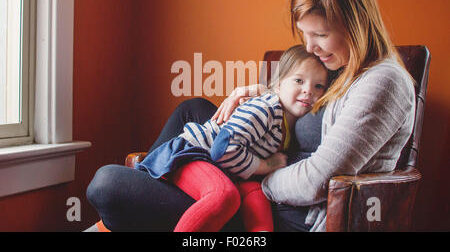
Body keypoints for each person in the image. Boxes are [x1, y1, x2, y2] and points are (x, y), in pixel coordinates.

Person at [85, 0, 416, 232]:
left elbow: (316, 180)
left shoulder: (383, 83)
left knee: (108, 184)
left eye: (320, 35)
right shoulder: (343, 65)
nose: (311, 47)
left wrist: (257, 173)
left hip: (274, 212)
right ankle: (153, 185)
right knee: (193, 109)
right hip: (252, 172)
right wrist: (256, 92)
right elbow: (297, 100)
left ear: (355, 25)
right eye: (305, 35)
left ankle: (138, 201)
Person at [92, 45, 329, 232]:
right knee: (224, 196)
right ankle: (147, 180)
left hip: (234, 171)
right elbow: (223, 148)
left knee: (259, 209)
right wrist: (266, 165)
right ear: (277, 85)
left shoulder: (287, 120)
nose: (309, 90)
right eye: (299, 81)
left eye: (319, 86)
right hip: (198, 155)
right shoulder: (267, 109)